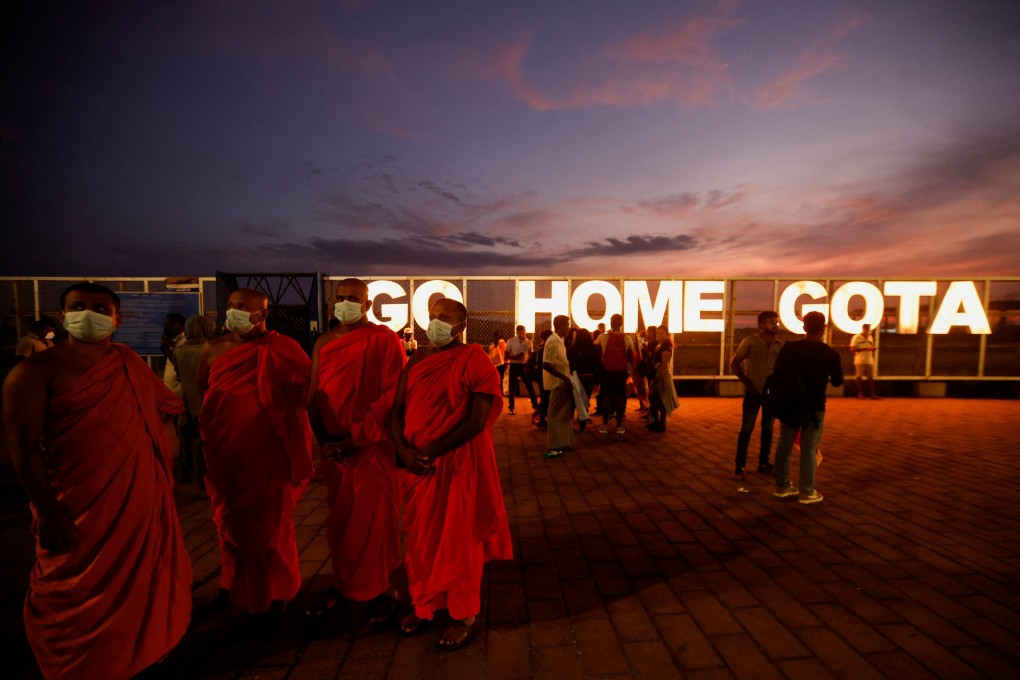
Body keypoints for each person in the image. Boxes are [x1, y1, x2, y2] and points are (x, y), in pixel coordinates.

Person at [3, 282, 191, 679]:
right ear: (62, 315)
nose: (89, 314)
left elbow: (164, 406)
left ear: (117, 319)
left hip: (135, 498)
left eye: (100, 308)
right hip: (77, 503)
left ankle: (143, 649)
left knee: (141, 581)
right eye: (78, 306)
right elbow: (21, 449)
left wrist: (134, 443)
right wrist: (49, 510)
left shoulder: (127, 361)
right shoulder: (34, 372)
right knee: (72, 586)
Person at [390, 297, 512, 650]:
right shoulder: (417, 359)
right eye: (432, 317)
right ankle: (424, 604)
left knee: (459, 540)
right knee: (421, 540)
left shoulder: (475, 359)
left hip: (457, 466)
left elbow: (477, 420)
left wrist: (427, 452)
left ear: (460, 326)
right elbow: (397, 411)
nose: (435, 323)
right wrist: (403, 451)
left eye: (444, 318)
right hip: (418, 469)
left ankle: (462, 614)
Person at [197, 288, 314, 615]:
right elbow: (205, 395)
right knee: (229, 520)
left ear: (262, 315)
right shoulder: (213, 349)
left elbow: (307, 389)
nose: (234, 312)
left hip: (268, 450)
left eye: (243, 308)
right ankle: (231, 583)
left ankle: (279, 589)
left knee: (271, 522)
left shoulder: (282, 348)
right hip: (225, 449)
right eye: (231, 305)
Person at [307, 278, 405, 622]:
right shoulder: (324, 341)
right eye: (341, 298)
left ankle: (382, 587)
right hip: (335, 450)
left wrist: (357, 440)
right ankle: (344, 583)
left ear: (367, 305)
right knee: (344, 520)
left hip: (370, 448)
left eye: (353, 299)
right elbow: (314, 396)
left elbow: (392, 397)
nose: (346, 303)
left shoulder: (384, 340)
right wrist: (325, 442)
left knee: (374, 521)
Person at [772, 311, 844, 504]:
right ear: (824, 327)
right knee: (808, 448)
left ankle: (782, 485)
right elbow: (837, 382)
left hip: (789, 403)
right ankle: (806, 490)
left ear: (804, 327)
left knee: (784, 443)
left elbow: (777, 372)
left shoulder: (789, 348)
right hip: (814, 405)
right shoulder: (830, 354)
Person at [730, 311, 784, 477]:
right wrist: (747, 383)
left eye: (776, 322)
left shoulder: (779, 345)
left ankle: (763, 462)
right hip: (753, 391)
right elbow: (735, 363)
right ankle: (740, 464)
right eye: (770, 322)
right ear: (760, 325)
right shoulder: (750, 342)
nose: (775, 325)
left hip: (771, 393)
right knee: (747, 428)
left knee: (768, 429)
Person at [174, 314, 216, 494]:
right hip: (204, 399)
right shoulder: (210, 349)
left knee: (188, 441)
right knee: (205, 443)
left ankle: (190, 477)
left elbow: (178, 375)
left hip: (185, 399)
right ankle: (205, 480)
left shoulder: (179, 349)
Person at [597, 314, 634, 434]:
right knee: (619, 397)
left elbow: (595, 345)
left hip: (606, 372)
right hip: (620, 372)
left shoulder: (603, 337)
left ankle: (604, 425)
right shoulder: (627, 339)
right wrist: (631, 374)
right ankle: (619, 426)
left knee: (606, 397)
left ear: (611, 323)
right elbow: (630, 357)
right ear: (621, 324)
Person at [542, 315, 574, 458]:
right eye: (567, 325)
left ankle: (564, 442)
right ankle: (555, 445)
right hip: (557, 383)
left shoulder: (559, 340)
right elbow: (546, 364)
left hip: (563, 383)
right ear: (560, 326)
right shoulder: (553, 342)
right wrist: (563, 377)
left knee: (564, 414)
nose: (568, 327)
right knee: (555, 414)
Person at [646, 327, 679, 432]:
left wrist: (658, 379)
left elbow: (664, 365)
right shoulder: (658, 345)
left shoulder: (665, 347)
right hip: (657, 372)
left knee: (661, 399)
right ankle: (656, 421)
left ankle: (661, 423)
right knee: (654, 398)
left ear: (666, 334)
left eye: (661, 333)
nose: (659, 335)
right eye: (657, 333)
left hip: (662, 375)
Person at [504, 324, 539, 415]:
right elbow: (506, 355)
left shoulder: (529, 342)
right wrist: (516, 357)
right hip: (514, 365)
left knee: (530, 387)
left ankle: (535, 406)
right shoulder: (511, 341)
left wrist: (530, 361)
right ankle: (511, 407)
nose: (523, 335)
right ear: (517, 333)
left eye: (524, 333)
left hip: (524, 366)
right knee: (512, 388)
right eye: (520, 333)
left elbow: (530, 354)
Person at [567, 328, 601, 419]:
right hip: (589, 376)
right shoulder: (595, 349)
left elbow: (569, 362)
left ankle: (570, 419)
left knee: (574, 399)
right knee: (586, 398)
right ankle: (583, 418)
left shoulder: (571, 349)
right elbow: (598, 363)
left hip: (576, 376)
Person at [851, 323, 880, 400]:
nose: (868, 330)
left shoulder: (870, 337)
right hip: (860, 360)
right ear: (863, 328)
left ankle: (872, 394)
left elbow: (871, 346)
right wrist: (866, 349)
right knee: (859, 377)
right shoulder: (857, 337)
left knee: (870, 378)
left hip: (869, 360)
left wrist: (872, 348)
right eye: (867, 329)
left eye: (869, 329)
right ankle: (860, 394)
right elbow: (852, 349)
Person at [162, 313, 187, 395]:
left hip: (179, 392)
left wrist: (166, 348)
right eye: (166, 324)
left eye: (171, 324)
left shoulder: (185, 342)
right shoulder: (172, 342)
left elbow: (179, 365)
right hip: (170, 390)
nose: (167, 327)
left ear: (181, 326)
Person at [488, 331, 507, 396]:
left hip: (494, 364)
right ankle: (500, 392)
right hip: (502, 364)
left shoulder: (492, 344)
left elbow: (491, 354)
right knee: (501, 378)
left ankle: (494, 392)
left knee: (494, 379)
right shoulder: (503, 343)